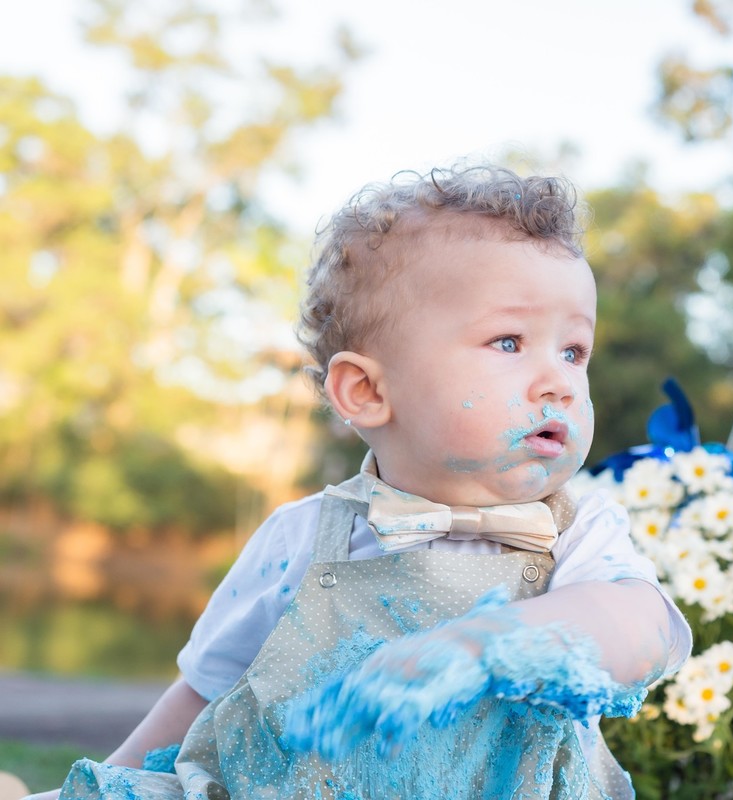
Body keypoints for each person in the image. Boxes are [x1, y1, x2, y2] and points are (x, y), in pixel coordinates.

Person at [29, 163, 691, 800]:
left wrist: (491, 642)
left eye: (574, 351)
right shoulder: (304, 537)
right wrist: (101, 783)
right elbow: (203, 694)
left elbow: (641, 627)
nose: (560, 382)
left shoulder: (577, 533)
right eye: (510, 343)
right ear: (368, 391)